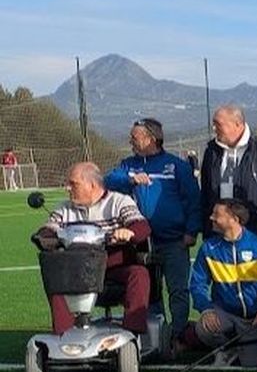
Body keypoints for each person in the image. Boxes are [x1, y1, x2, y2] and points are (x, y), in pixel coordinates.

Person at [105, 117, 202, 343]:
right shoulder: (129, 164)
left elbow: (193, 200)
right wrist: (130, 178)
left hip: (174, 240)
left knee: (177, 289)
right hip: (141, 242)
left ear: (151, 139)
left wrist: (191, 231)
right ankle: (154, 336)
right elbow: (108, 179)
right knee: (149, 290)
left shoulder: (175, 165)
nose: (130, 140)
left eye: (135, 137)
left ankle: (178, 335)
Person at [37, 163, 152, 338]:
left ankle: (132, 335)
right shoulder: (64, 208)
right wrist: (46, 236)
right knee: (55, 275)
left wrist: (129, 232)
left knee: (139, 274)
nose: (68, 188)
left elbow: (141, 226)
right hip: (76, 270)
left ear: (92, 185)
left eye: (73, 184)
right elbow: (48, 229)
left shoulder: (119, 202)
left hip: (113, 268)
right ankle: (64, 336)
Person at [189, 198, 257, 368]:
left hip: (255, 318)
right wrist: (206, 309)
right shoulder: (208, 248)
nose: (211, 218)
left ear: (234, 219)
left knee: (251, 364)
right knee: (203, 328)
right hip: (225, 313)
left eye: (216, 214)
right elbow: (197, 284)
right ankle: (227, 348)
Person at [200, 104, 257, 243]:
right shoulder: (211, 152)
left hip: (255, 236)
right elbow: (206, 194)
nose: (214, 129)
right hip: (218, 237)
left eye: (218, 124)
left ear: (237, 124)